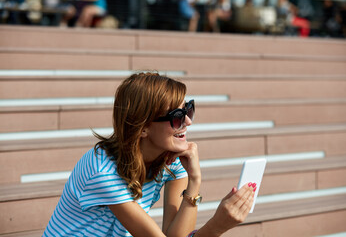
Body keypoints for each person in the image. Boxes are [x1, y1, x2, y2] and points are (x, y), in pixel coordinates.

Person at [43, 72, 256, 237]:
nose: (188, 122)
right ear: (143, 128)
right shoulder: (103, 172)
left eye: (188, 109)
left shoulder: (170, 159)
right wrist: (218, 226)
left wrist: (194, 180)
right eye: (177, 116)